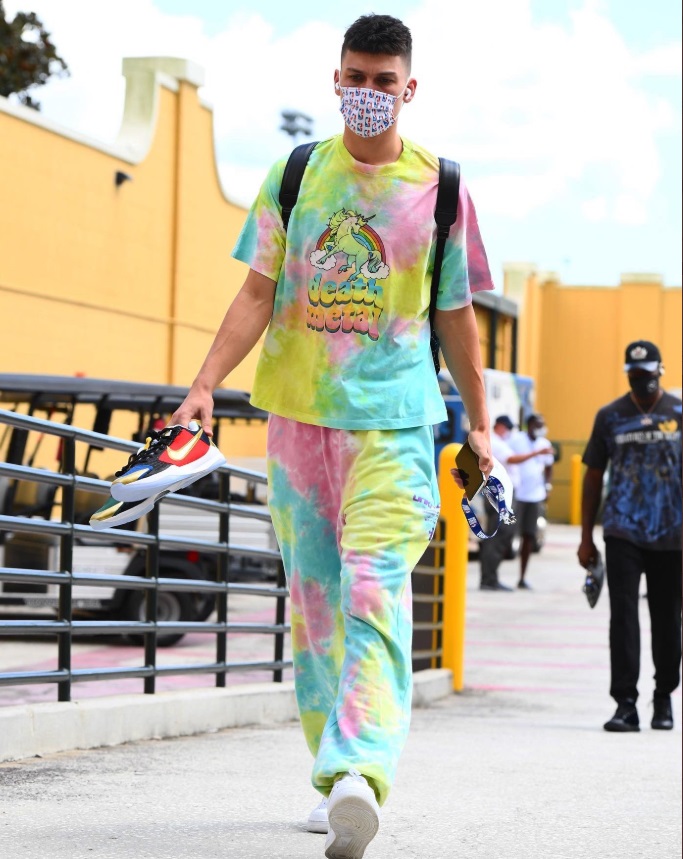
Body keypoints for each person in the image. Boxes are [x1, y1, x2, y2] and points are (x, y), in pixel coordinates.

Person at [170, 14, 494, 859]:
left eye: (385, 81)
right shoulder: (297, 173)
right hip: (297, 422)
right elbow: (254, 292)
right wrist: (204, 383)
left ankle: (358, 772)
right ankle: (331, 765)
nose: (370, 92)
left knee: (374, 592)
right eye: (357, 75)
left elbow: (457, 315)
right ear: (337, 78)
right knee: (313, 607)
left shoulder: (443, 189)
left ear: (408, 89)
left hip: (393, 425)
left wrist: (483, 424)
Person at [578, 340, 682, 733]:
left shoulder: (678, 413)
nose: (642, 382)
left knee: (668, 617)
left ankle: (663, 698)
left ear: (661, 370)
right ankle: (625, 704)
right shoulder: (610, 416)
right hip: (622, 530)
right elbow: (592, 476)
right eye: (635, 376)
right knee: (622, 617)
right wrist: (586, 537)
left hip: (673, 532)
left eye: (648, 374)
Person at [479, 414, 555, 591]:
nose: (509, 432)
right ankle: (489, 579)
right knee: (500, 534)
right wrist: (536, 453)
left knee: (504, 534)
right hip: (501, 495)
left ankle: (491, 577)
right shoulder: (496, 443)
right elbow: (512, 459)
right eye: (507, 428)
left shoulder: (502, 442)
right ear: (499, 426)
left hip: (511, 495)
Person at [507, 414, 554, 589]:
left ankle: (522, 576)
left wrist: (548, 486)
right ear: (529, 425)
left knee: (529, 535)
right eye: (538, 425)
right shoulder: (516, 440)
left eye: (543, 425)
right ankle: (492, 575)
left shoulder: (545, 444)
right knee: (508, 532)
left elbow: (549, 467)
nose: (541, 428)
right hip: (517, 494)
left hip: (535, 495)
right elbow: (509, 459)